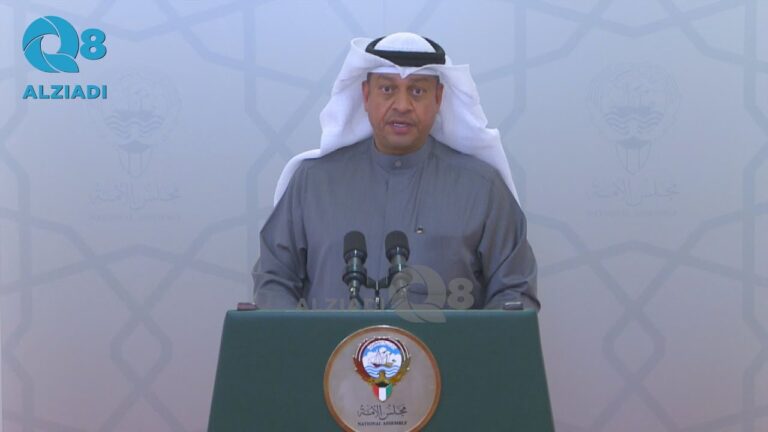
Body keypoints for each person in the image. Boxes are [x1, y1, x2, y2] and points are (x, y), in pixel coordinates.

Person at [252, 32, 538, 310]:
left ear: (438, 98)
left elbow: (514, 291)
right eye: (387, 89)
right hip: (327, 346)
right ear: (366, 95)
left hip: (445, 346)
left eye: (417, 91)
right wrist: (303, 337)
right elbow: (274, 281)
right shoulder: (312, 182)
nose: (402, 106)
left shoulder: (482, 188)